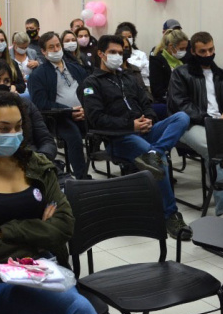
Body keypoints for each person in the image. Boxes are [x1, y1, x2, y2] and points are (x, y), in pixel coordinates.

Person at [0, 92, 125, 314]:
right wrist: (40, 233)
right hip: (1, 282)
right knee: (77, 310)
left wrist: (8, 231)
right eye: (3, 128)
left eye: (18, 127)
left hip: (50, 272)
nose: (13, 134)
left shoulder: (37, 164)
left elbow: (64, 225)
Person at [81, 35, 192, 238]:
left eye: (120, 52)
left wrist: (148, 119)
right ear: (101, 54)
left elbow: (146, 104)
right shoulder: (91, 83)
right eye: (112, 52)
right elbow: (97, 119)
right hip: (120, 138)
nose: (117, 56)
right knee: (158, 160)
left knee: (182, 117)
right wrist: (130, 125)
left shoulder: (128, 78)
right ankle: (171, 215)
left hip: (145, 131)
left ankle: (156, 150)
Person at [167, 32, 223, 221]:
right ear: (193, 52)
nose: (208, 54)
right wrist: (207, 119)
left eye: (211, 50)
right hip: (190, 124)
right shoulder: (180, 73)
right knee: (214, 149)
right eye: (202, 51)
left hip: (222, 122)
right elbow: (181, 104)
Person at [28, 32, 89, 181]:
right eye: (51, 47)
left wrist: (87, 107)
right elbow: (41, 103)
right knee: (74, 135)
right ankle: (82, 178)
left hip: (84, 112)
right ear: (43, 51)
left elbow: (89, 89)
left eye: (58, 45)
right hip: (58, 117)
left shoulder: (76, 68)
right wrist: (69, 111)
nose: (56, 49)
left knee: (105, 123)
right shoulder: (38, 75)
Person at [149, 29, 190, 118]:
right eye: (181, 49)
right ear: (171, 46)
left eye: (185, 48)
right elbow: (157, 91)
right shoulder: (157, 61)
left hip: (185, 100)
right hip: (167, 102)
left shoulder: (184, 61)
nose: (184, 51)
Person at [0, 28, 26, 93]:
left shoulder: (13, 63)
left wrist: (14, 87)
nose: (0, 43)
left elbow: (22, 86)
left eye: (2, 40)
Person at [114, 22, 150, 88]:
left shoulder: (141, 54)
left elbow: (147, 72)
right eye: (124, 37)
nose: (127, 39)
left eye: (129, 37)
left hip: (143, 84)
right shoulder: (115, 54)